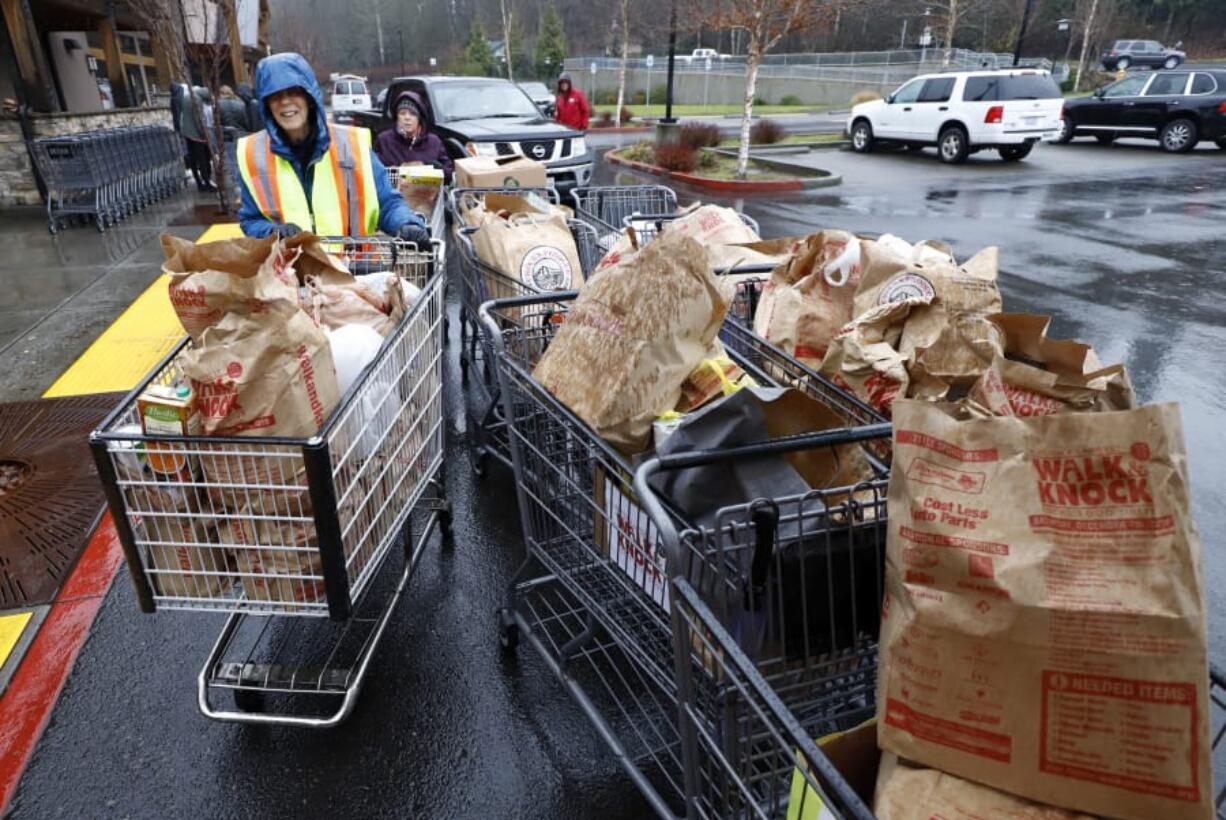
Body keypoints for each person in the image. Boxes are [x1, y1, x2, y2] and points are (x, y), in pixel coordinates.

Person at [236, 52, 427, 243]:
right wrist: (275, 232)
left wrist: (406, 223)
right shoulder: (253, 154)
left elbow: (387, 202)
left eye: (293, 92)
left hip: (355, 268)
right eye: (275, 95)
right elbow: (251, 219)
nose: (285, 101)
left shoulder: (352, 145)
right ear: (266, 105)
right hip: (291, 269)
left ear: (309, 98)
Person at [373, 90, 453, 182]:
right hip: (393, 195)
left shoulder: (434, 142)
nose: (407, 118)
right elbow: (372, 172)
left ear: (419, 118)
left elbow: (449, 174)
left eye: (413, 114)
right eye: (402, 113)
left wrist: (438, 168)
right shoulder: (384, 140)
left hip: (427, 194)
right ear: (397, 117)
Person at [177, 85, 215, 191]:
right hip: (196, 135)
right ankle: (207, 182)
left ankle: (199, 181)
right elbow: (199, 119)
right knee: (204, 158)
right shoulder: (197, 100)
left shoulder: (186, 97)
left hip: (187, 133)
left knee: (193, 159)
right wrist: (204, 135)